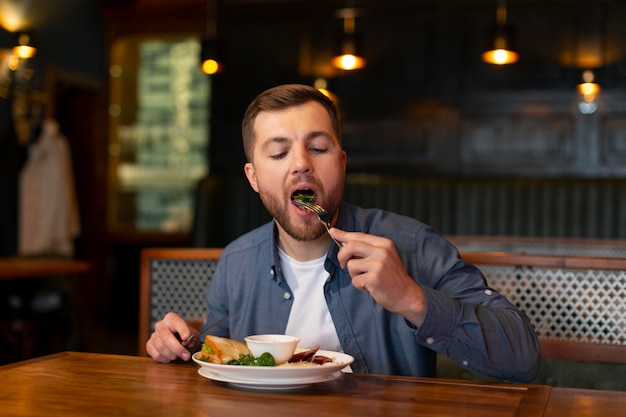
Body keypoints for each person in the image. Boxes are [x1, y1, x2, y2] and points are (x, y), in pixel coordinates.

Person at [146, 84, 541, 382]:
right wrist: (183, 347)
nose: (301, 164)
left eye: (318, 148)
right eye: (279, 153)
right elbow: (220, 365)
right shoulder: (236, 263)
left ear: (342, 162)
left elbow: (522, 357)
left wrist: (410, 298)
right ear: (253, 177)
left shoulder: (413, 245)